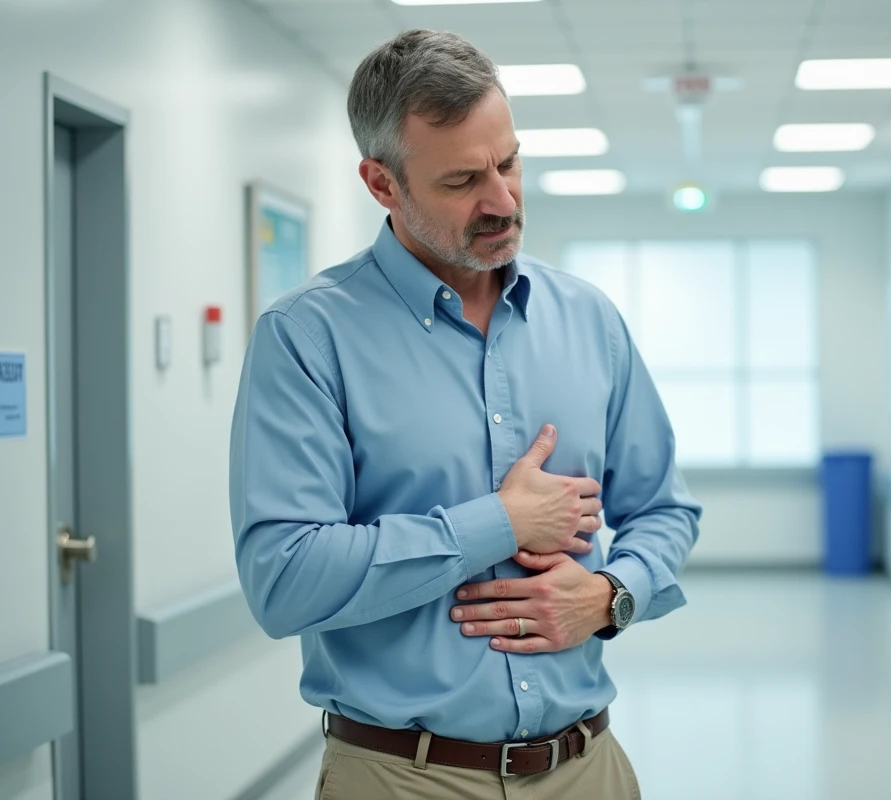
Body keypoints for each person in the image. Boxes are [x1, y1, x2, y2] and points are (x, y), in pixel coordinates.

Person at [229, 28, 700, 800]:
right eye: (463, 180)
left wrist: (612, 595)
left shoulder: (589, 320)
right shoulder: (308, 337)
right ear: (382, 184)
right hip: (402, 776)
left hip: (588, 767)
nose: (503, 201)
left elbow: (664, 510)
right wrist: (500, 523)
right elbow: (284, 579)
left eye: (509, 162)